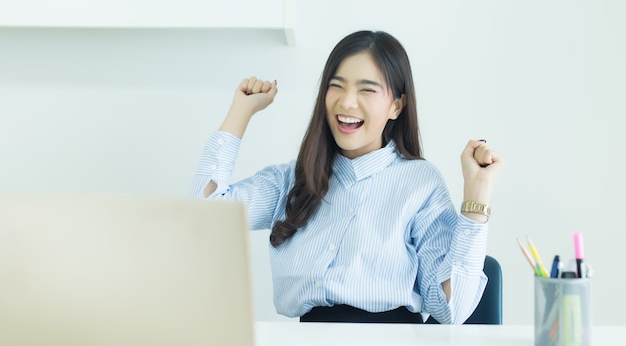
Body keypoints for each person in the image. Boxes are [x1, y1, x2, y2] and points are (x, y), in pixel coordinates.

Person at [190, 30, 504, 324]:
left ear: (396, 105)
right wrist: (239, 112)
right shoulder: (292, 178)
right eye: (336, 86)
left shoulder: (420, 183)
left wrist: (476, 203)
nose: (346, 102)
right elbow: (204, 211)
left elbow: (454, 309)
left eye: (367, 89)